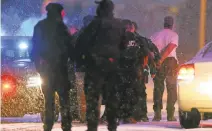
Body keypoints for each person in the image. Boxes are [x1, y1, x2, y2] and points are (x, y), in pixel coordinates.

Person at [75, 0, 126, 130]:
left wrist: (83, 60)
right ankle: (112, 125)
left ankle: (92, 126)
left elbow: (81, 43)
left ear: (100, 9)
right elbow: (124, 45)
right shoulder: (119, 25)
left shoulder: (94, 24)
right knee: (112, 99)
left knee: (93, 99)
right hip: (113, 67)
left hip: (95, 67)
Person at [30, 3, 74, 131]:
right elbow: (70, 47)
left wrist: (39, 66)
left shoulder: (40, 26)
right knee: (64, 100)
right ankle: (66, 125)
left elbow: (34, 47)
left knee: (48, 100)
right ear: (59, 13)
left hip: (46, 69)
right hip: (60, 68)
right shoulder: (62, 28)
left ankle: (48, 125)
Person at [150, 16, 179, 121]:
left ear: (164, 23)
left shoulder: (155, 35)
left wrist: (155, 62)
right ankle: (170, 114)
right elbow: (169, 49)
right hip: (170, 62)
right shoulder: (174, 35)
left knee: (158, 88)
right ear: (172, 24)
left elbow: (150, 51)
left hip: (157, 62)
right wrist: (161, 60)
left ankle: (157, 113)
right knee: (171, 88)